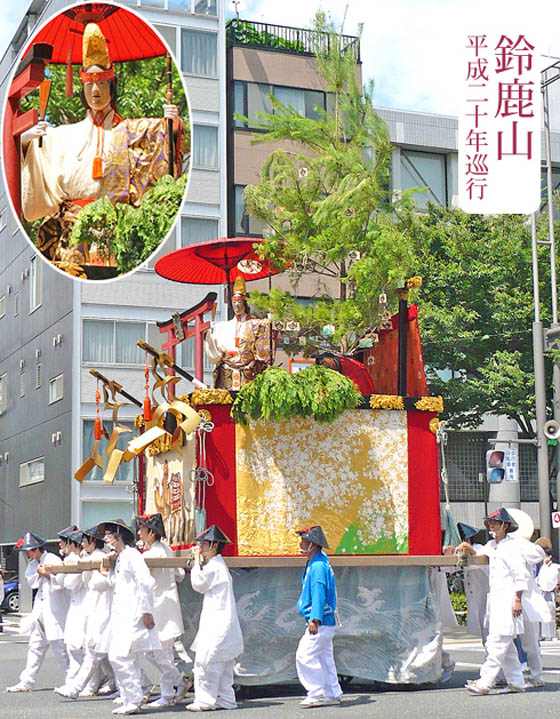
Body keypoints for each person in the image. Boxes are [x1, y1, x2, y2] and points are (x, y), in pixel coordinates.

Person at [20, 22, 184, 274]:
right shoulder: (61, 135)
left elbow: (164, 138)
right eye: (89, 85)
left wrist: (172, 124)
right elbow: (31, 160)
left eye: (102, 84)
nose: (95, 90)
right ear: (82, 87)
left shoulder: (131, 131)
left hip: (116, 234)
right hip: (71, 234)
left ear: (111, 86)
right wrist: (25, 140)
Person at [458, 508, 530, 694]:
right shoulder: (492, 545)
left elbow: (520, 575)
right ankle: (516, 681)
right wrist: (466, 549)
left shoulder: (511, 547)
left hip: (508, 598)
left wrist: (518, 600)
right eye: (490, 522)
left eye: (495, 522)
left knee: (497, 642)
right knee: (505, 644)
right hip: (495, 598)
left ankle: (485, 682)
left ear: (505, 526)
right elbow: (478, 555)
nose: (491, 525)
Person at [101, 519, 160, 716]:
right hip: (120, 614)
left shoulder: (133, 556)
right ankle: (130, 698)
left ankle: (133, 699)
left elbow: (146, 583)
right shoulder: (121, 557)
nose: (106, 538)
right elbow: (117, 584)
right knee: (128, 659)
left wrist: (146, 611)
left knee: (119, 657)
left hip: (133, 614)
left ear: (119, 536)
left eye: (109, 534)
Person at [136, 513, 191, 708]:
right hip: (166, 605)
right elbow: (180, 575)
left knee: (159, 653)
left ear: (152, 533)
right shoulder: (166, 550)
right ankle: (178, 681)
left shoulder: (151, 554)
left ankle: (168, 692)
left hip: (159, 607)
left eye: (142, 530)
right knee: (155, 652)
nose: (139, 533)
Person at [55, 524, 116, 699]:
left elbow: (98, 583)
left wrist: (90, 568)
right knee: (101, 652)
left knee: (96, 650)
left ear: (92, 541)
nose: (81, 543)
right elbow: (72, 582)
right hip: (93, 606)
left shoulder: (101, 557)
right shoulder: (88, 557)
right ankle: (113, 682)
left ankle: (82, 686)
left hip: (103, 606)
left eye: (84, 539)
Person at [188, 524, 243, 712]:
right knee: (223, 662)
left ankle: (206, 700)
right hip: (221, 619)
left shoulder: (214, 567)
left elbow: (198, 583)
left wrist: (196, 561)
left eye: (203, 544)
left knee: (207, 661)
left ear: (213, 545)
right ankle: (227, 699)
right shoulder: (217, 565)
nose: (200, 548)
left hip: (218, 621)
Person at [6, 532, 69, 692]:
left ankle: (72, 681)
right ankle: (26, 681)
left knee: (60, 649)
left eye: (29, 550)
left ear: (37, 549)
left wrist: (46, 574)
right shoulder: (34, 563)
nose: (27, 553)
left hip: (55, 610)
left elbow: (61, 582)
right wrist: (39, 572)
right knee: (35, 647)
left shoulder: (53, 559)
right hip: (41, 611)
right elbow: (32, 582)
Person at [295, 525, 342, 708]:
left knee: (304, 655)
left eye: (304, 540)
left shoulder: (318, 566)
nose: (301, 543)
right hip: (325, 621)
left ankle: (315, 692)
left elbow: (318, 594)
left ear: (312, 544)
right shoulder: (319, 562)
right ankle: (332, 692)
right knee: (324, 658)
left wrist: (315, 619)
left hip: (320, 621)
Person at [204, 275, 273, 390]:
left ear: (245, 303)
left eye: (239, 302)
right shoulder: (223, 327)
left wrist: (269, 322)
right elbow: (215, 354)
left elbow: (264, 355)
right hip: (227, 374)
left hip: (248, 374)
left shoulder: (255, 325)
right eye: (234, 302)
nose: (236, 305)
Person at [457, 522, 489, 644]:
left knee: (490, 628)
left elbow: (477, 563)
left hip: (487, 595)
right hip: (475, 598)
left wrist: (470, 550)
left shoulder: (480, 548)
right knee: (484, 629)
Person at [535, 538, 559, 640]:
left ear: (549, 556)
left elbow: (553, 580)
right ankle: (543, 635)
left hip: (549, 592)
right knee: (541, 613)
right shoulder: (542, 567)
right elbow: (538, 579)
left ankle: (551, 635)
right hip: (540, 592)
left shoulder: (555, 567)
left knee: (550, 613)